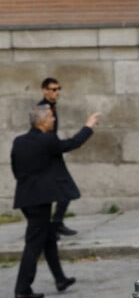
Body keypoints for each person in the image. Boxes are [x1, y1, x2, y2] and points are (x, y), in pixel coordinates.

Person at [11, 106, 100, 298]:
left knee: (49, 236)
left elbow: (16, 169)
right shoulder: (47, 140)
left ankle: (60, 279)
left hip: (26, 198)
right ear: (42, 121)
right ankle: (22, 288)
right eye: (51, 117)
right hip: (40, 200)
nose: (53, 120)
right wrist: (88, 126)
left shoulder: (19, 142)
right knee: (34, 243)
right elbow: (73, 143)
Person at [38, 78, 78, 237]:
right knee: (59, 191)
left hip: (54, 154)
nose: (57, 92)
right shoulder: (42, 108)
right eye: (53, 89)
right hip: (48, 155)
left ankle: (56, 223)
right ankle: (53, 225)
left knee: (65, 190)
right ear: (44, 90)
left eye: (58, 89)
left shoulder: (52, 107)